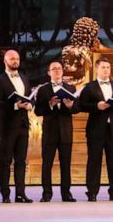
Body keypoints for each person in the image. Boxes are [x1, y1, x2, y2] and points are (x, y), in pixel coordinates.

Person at [78, 58, 113, 202]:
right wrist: (96, 106)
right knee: (94, 161)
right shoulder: (90, 87)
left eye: (108, 67)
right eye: (103, 67)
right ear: (97, 69)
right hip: (96, 129)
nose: (106, 70)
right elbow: (82, 105)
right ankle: (92, 192)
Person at [34, 60, 79, 202]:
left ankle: (66, 193)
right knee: (47, 164)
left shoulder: (71, 88)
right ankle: (46, 193)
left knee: (66, 164)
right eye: (54, 69)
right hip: (50, 131)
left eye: (59, 68)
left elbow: (77, 109)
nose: (57, 71)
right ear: (49, 73)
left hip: (65, 131)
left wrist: (71, 105)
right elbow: (38, 111)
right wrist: (50, 104)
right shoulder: (43, 90)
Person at [0, 49, 33, 203]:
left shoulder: (24, 78)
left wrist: (30, 104)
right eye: (12, 59)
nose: (15, 61)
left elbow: (29, 96)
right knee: (5, 161)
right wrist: (15, 105)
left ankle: (20, 193)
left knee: (21, 161)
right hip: (8, 126)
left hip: (23, 125)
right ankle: (5, 194)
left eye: (17, 58)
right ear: (5, 61)